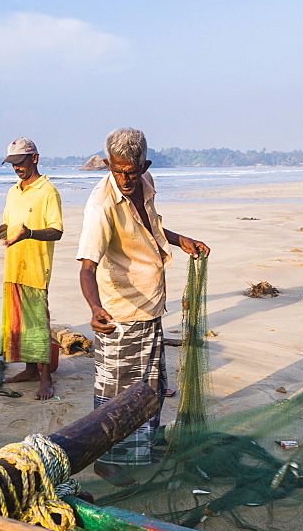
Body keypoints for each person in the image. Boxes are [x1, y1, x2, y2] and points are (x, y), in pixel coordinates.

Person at [76, 128, 209, 484]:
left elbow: (151, 229)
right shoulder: (100, 207)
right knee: (115, 390)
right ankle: (105, 460)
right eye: (117, 171)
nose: (125, 179)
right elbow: (87, 268)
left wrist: (183, 241)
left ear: (144, 165)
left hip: (150, 306)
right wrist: (94, 309)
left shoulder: (145, 182)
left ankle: (139, 450)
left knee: (148, 385)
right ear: (107, 165)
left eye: (131, 171)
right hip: (120, 309)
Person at [0, 138, 63, 400]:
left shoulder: (48, 191)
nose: (17, 168)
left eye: (20, 162)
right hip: (13, 268)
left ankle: (46, 379)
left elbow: (56, 231)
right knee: (19, 322)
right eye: (13, 164)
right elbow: (9, 224)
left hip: (36, 269)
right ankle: (29, 371)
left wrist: (29, 233)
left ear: (35, 158)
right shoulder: (13, 192)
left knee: (38, 323)